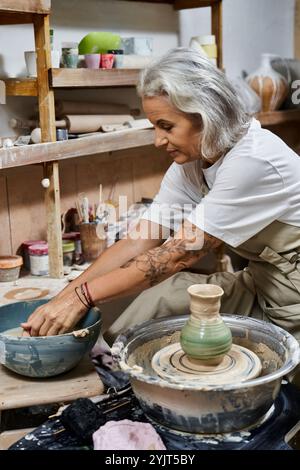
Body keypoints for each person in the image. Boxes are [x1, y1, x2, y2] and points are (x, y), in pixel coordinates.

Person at [22, 48, 300, 350]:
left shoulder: (252, 161)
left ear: (206, 116)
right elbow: (139, 240)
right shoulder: (194, 162)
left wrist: (83, 297)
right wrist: (66, 295)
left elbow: (177, 255)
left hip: (295, 304)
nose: (157, 140)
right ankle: (118, 369)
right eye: (154, 126)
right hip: (263, 286)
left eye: (166, 126)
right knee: (163, 297)